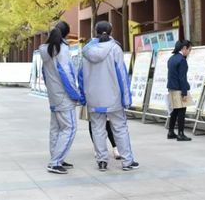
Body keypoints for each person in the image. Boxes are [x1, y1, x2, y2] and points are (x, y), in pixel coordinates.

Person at [79, 21, 139, 172]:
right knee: (120, 128)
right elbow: (122, 75)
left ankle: (102, 161)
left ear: (95, 32)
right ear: (111, 32)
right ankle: (127, 161)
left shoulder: (86, 51)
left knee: (98, 129)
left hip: (94, 97)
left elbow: (80, 76)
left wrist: (83, 96)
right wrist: (126, 98)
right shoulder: (115, 49)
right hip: (113, 96)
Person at [39, 21, 82, 175]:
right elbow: (67, 74)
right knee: (69, 128)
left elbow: (45, 75)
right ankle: (55, 161)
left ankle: (57, 158)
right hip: (64, 96)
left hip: (53, 95)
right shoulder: (61, 50)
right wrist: (76, 94)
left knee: (56, 128)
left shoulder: (46, 51)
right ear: (65, 34)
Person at [166, 39, 193, 141]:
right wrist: (184, 92)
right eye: (189, 49)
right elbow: (182, 77)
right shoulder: (182, 60)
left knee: (175, 110)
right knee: (182, 110)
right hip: (179, 88)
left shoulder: (171, 59)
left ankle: (171, 131)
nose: (189, 52)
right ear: (184, 48)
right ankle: (181, 133)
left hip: (171, 88)